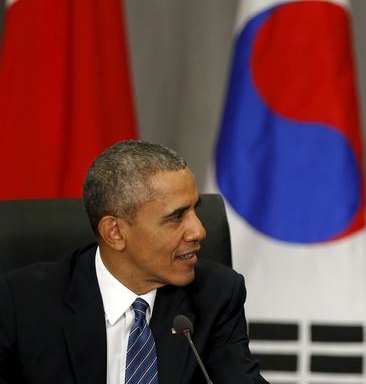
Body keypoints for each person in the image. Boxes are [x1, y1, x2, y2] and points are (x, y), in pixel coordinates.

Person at [0, 140, 267, 383]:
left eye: (195, 210)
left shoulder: (217, 294)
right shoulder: (20, 302)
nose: (199, 231)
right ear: (115, 233)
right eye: (176, 217)